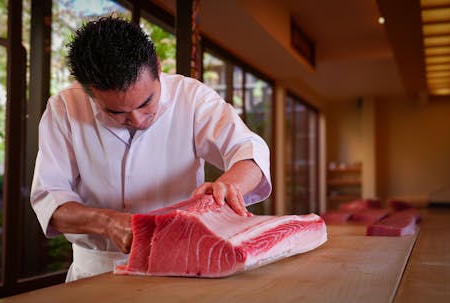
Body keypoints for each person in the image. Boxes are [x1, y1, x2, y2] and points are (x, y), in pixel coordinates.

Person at [30, 16, 271, 282]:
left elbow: (248, 150)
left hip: (182, 266)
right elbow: (50, 200)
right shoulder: (65, 108)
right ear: (89, 93)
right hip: (95, 273)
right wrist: (108, 223)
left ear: (156, 66)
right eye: (116, 112)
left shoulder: (191, 97)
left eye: (146, 103)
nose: (136, 119)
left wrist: (229, 184)